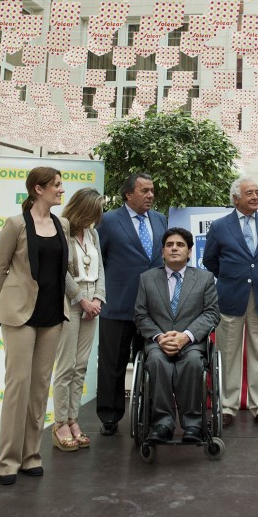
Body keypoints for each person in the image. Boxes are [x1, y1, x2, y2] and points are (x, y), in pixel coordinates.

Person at [0, 166, 70, 485]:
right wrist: (14, 300)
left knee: (39, 388)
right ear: (39, 189)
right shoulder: (15, 224)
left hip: (52, 315)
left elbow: (63, 270)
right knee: (18, 387)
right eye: (57, 185)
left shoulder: (62, 224)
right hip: (20, 316)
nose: (61, 190)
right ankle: (7, 461)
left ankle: (30, 456)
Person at [203, 178, 258, 427]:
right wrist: (233, 278)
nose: (256, 197)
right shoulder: (219, 226)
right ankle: (227, 406)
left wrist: (256, 276)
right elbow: (210, 260)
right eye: (250, 193)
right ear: (236, 198)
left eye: (257, 192)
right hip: (230, 298)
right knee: (227, 353)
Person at [96, 173, 167, 436]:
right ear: (128, 195)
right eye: (144, 191)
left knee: (152, 360)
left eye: (152, 190)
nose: (150, 195)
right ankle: (109, 415)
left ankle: (148, 414)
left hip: (153, 307)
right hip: (118, 303)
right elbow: (99, 259)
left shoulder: (160, 219)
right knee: (112, 363)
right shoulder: (108, 220)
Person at [134, 227, 220, 442]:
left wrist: (186, 336)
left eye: (180, 245)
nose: (174, 248)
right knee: (156, 362)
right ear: (162, 251)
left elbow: (211, 313)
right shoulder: (147, 278)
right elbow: (141, 315)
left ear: (189, 252)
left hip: (191, 344)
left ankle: (193, 425)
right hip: (158, 343)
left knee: (193, 363)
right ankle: (162, 424)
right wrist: (159, 337)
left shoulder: (205, 278)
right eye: (169, 245)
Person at [52, 188, 106, 451]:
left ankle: (73, 419)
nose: (97, 217)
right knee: (66, 366)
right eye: (94, 211)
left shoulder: (93, 233)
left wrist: (97, 299)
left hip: (91, 302)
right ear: (83, 209)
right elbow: (60, 269)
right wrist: (81, 299)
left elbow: (101, 269)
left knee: (81, 365)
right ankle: (60, 423)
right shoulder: (62, 230)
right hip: (69, 301)